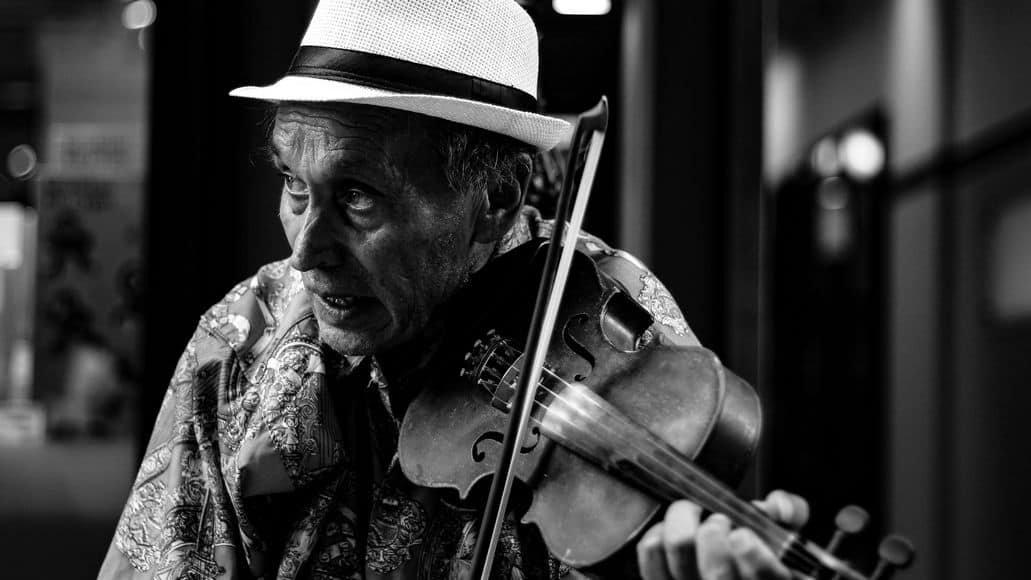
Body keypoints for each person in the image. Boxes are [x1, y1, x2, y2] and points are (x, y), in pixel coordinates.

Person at [99, 1, 809, 578]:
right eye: (293, 186)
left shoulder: (611, 318)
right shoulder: (245, 335)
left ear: (496, 197)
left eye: (358, 197)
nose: (306, 251)